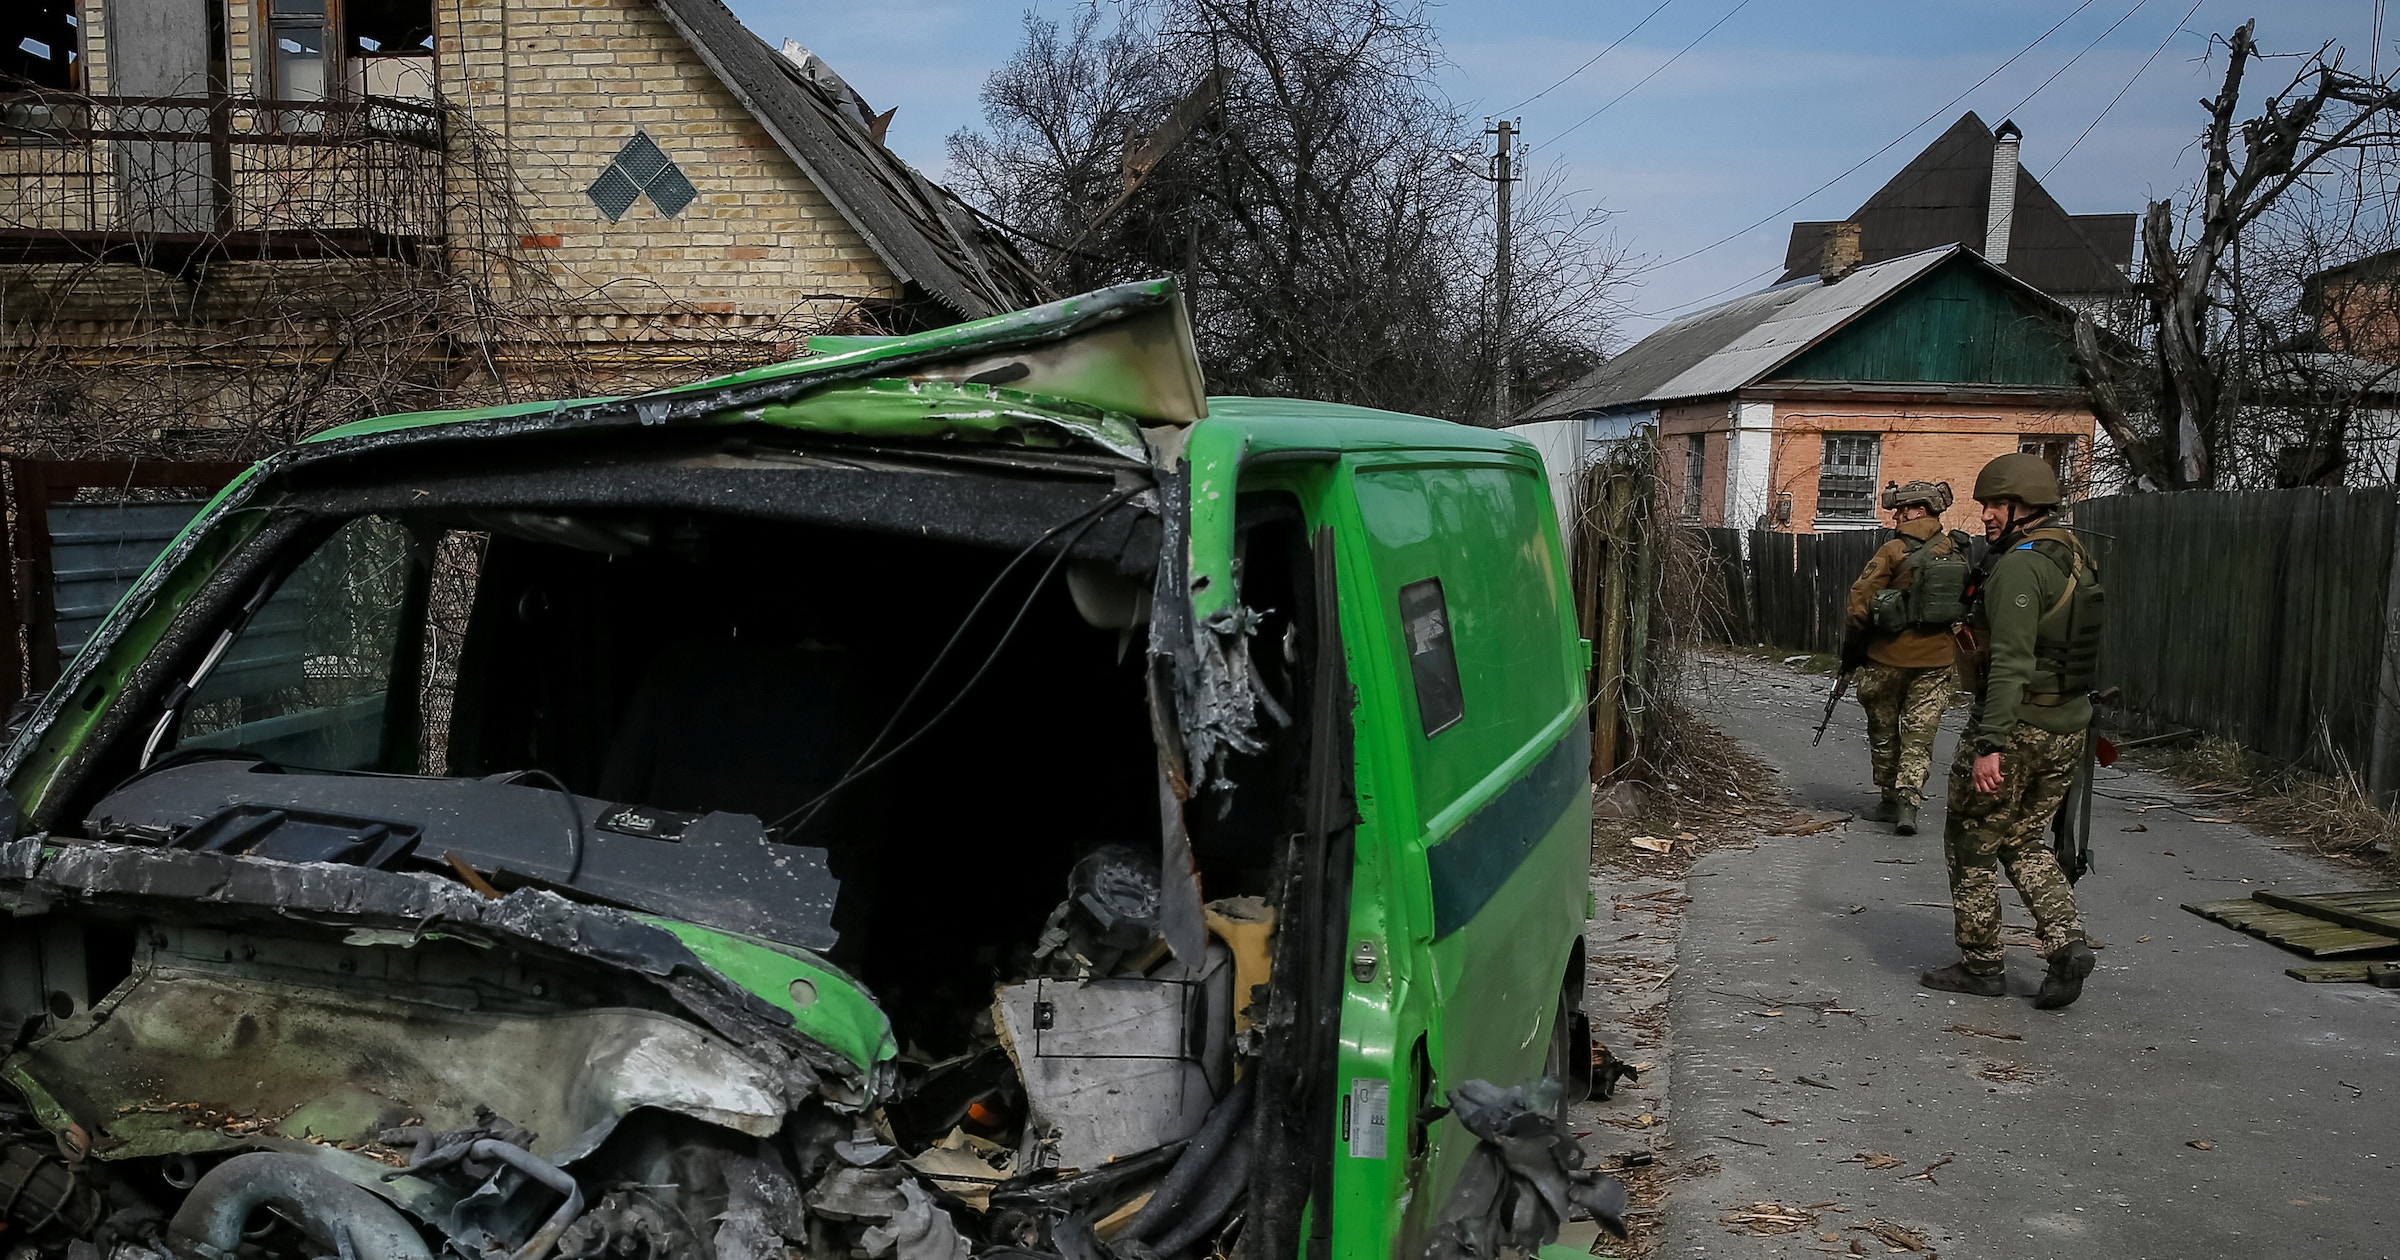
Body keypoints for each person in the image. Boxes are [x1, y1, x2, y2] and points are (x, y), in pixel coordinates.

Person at [1920, 452, 2105, 1010]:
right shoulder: (2073, 554)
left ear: (2023, 506)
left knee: (1971, 843)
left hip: (2017, 727)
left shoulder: (2021, 565)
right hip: (2067, 725)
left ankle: (1982, 966)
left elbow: (2010, 663)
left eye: (1995, 505)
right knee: (2022, 838)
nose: (1986, 516)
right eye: (1983, 506)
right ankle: (2066, 942)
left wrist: (1990, 744)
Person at [1840, 481, 1969, 836]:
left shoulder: (1894, 549)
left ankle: (1887, 800)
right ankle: (1909, 803)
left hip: (1887, 657)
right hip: (1937, 659)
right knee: (1920, 735)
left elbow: (1860, 598)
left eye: (1903, 508)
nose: (1897, 515)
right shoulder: (1957, 550)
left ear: (1921, 510)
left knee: (1884, 730)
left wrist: (1856, 642)